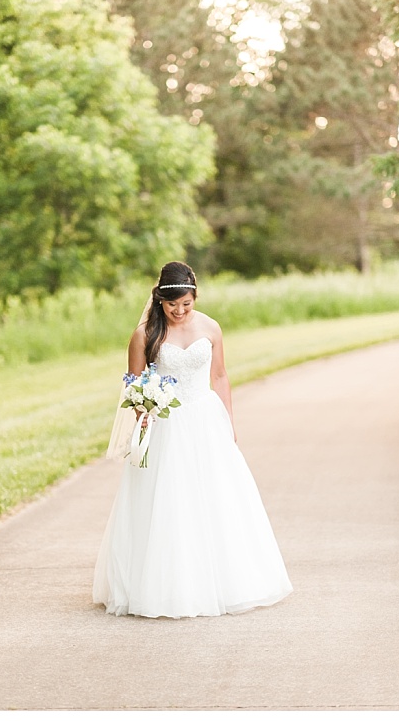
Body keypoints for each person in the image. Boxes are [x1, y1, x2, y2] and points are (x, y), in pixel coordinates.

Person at [93, 261, 291, 618]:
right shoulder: (144, 335)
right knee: (170, 502)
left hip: (205, 420)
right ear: (160, 301)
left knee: (217, 498)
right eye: (173, 306)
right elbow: (133, 384)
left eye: (187, 304)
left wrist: (229, 421)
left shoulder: (211, 328)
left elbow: (220, 375)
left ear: (194, 296)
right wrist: (145, 411)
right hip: (166, 425)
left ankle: (223, 581)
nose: (180, 311)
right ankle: (163, 587)